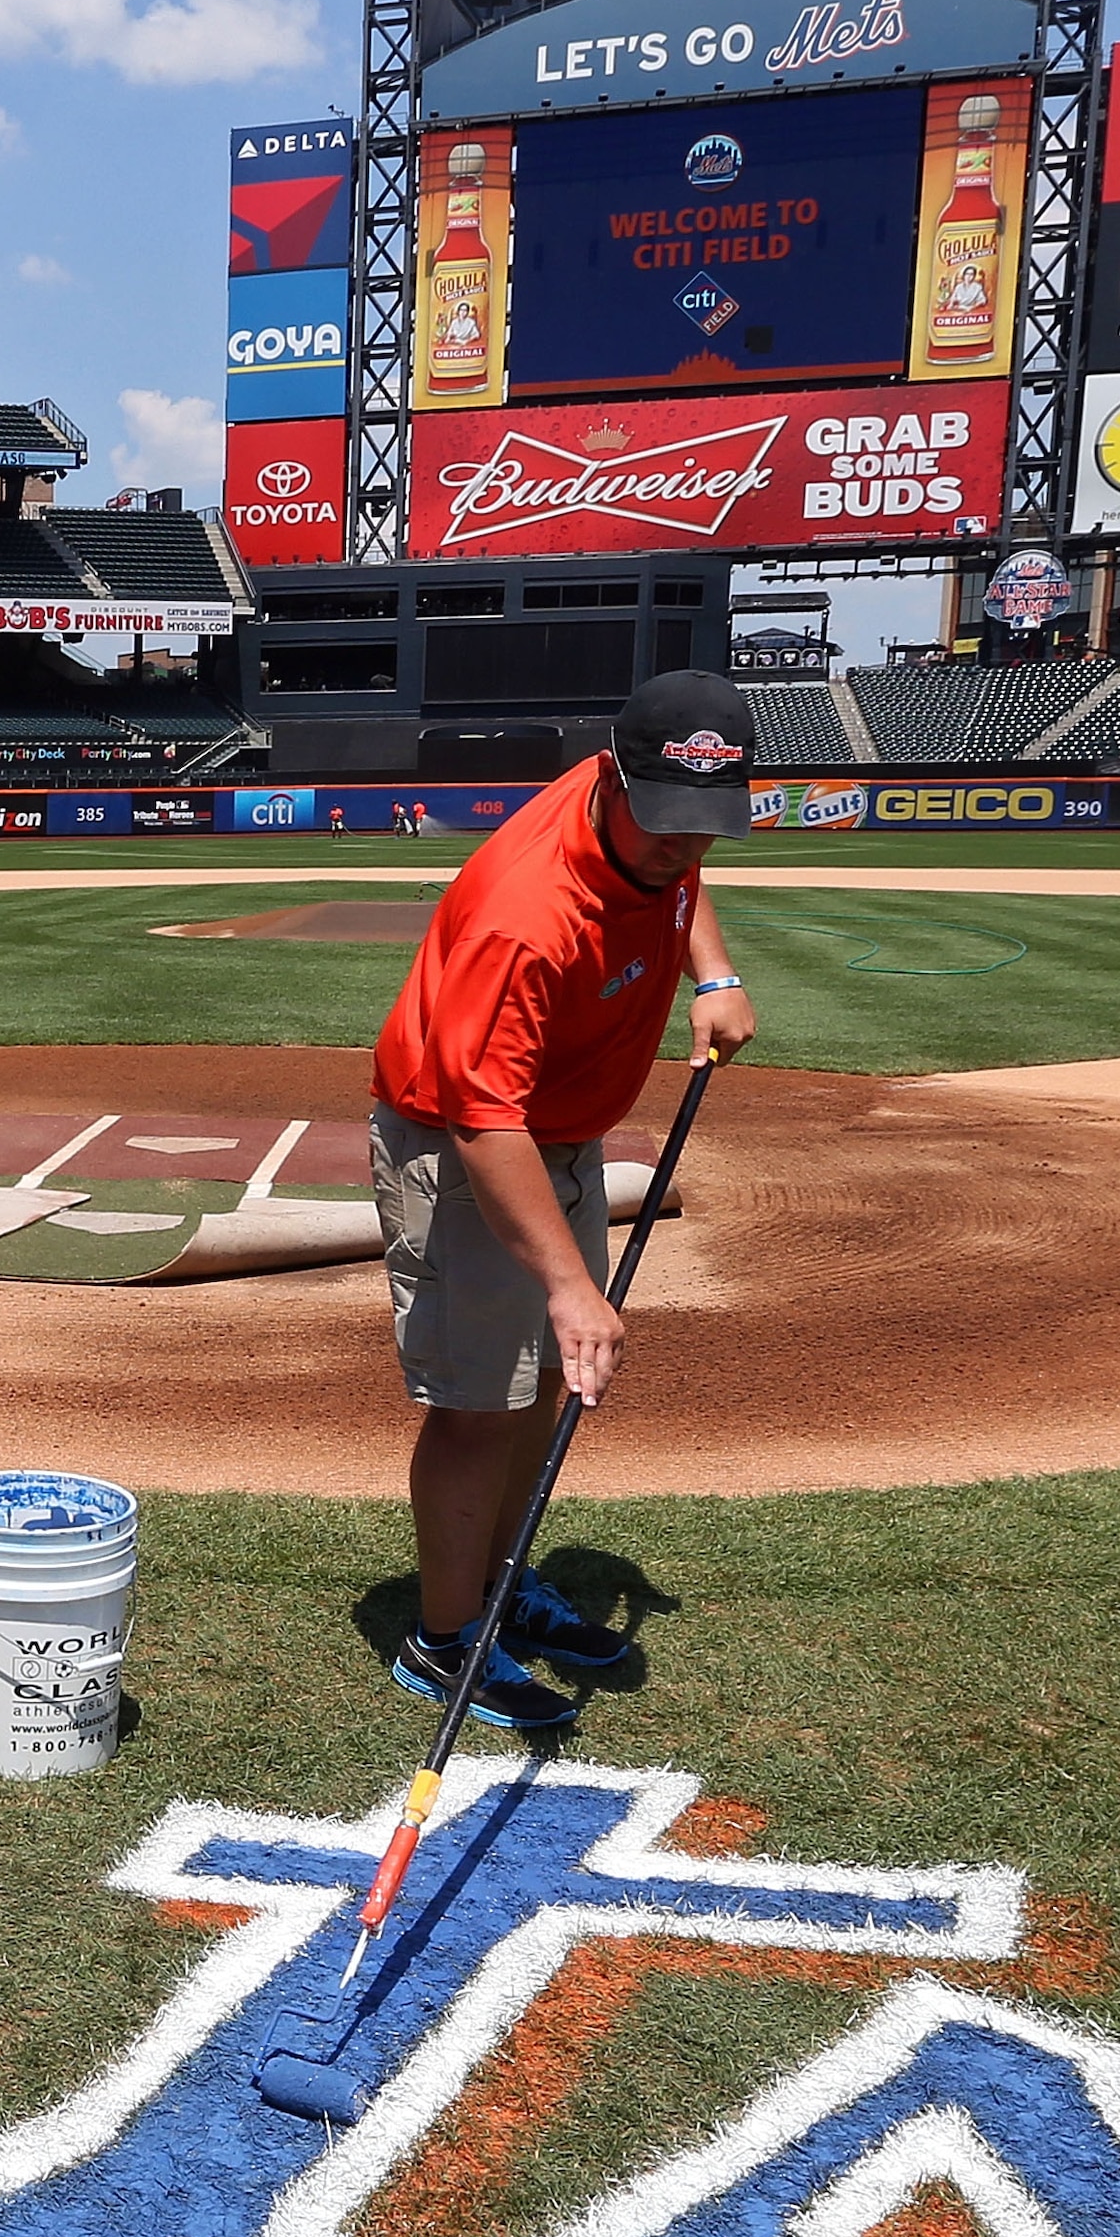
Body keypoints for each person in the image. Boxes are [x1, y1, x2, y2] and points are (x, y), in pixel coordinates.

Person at [365, 671, 761, 1736]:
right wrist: (570, 1284)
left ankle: (503, 1588)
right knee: (478, 1401)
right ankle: (442, 1641)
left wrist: (711, 976)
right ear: (615, 780)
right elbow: (478, 1121)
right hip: (472, 1154)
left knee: (536, 1382)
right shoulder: (524, 916)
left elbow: (674, 885)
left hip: (562, 1135)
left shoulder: (647, 813)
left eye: (703, 827)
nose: (683, 847)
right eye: (666, 823)